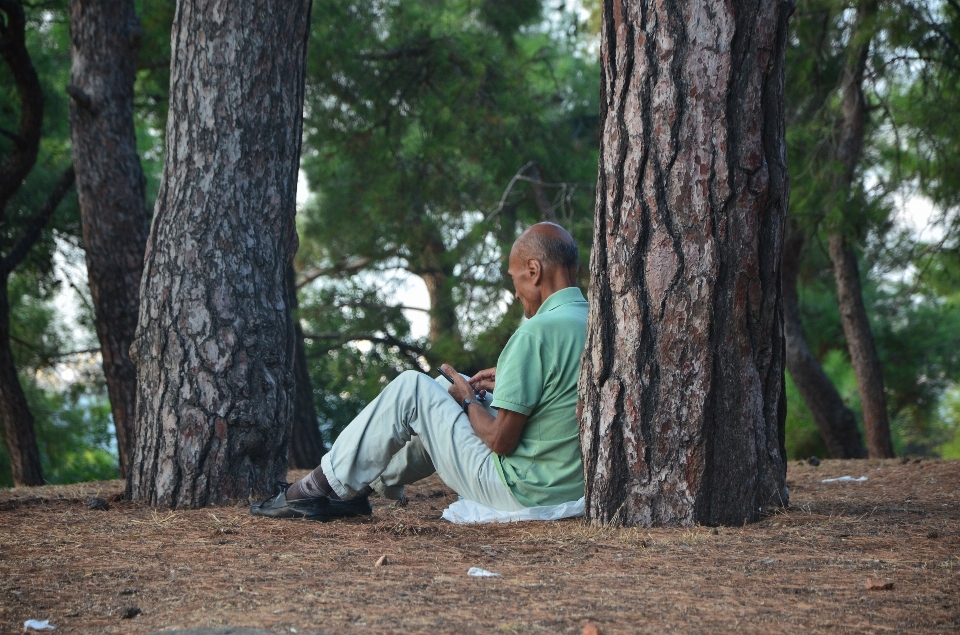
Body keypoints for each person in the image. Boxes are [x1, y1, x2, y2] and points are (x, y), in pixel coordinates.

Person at [251, 222, 588, 520]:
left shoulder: (535, 332)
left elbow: (501, 441)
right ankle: (352, 490)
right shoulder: (592, 322)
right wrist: (505, 383)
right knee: (441, 397)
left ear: (534, 270)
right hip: (566, 485)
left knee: (414, 388)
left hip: (525, 491)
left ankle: (311, 491)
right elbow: (557, 397)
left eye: (514, 280)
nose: (515, 294)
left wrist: (469, 399)